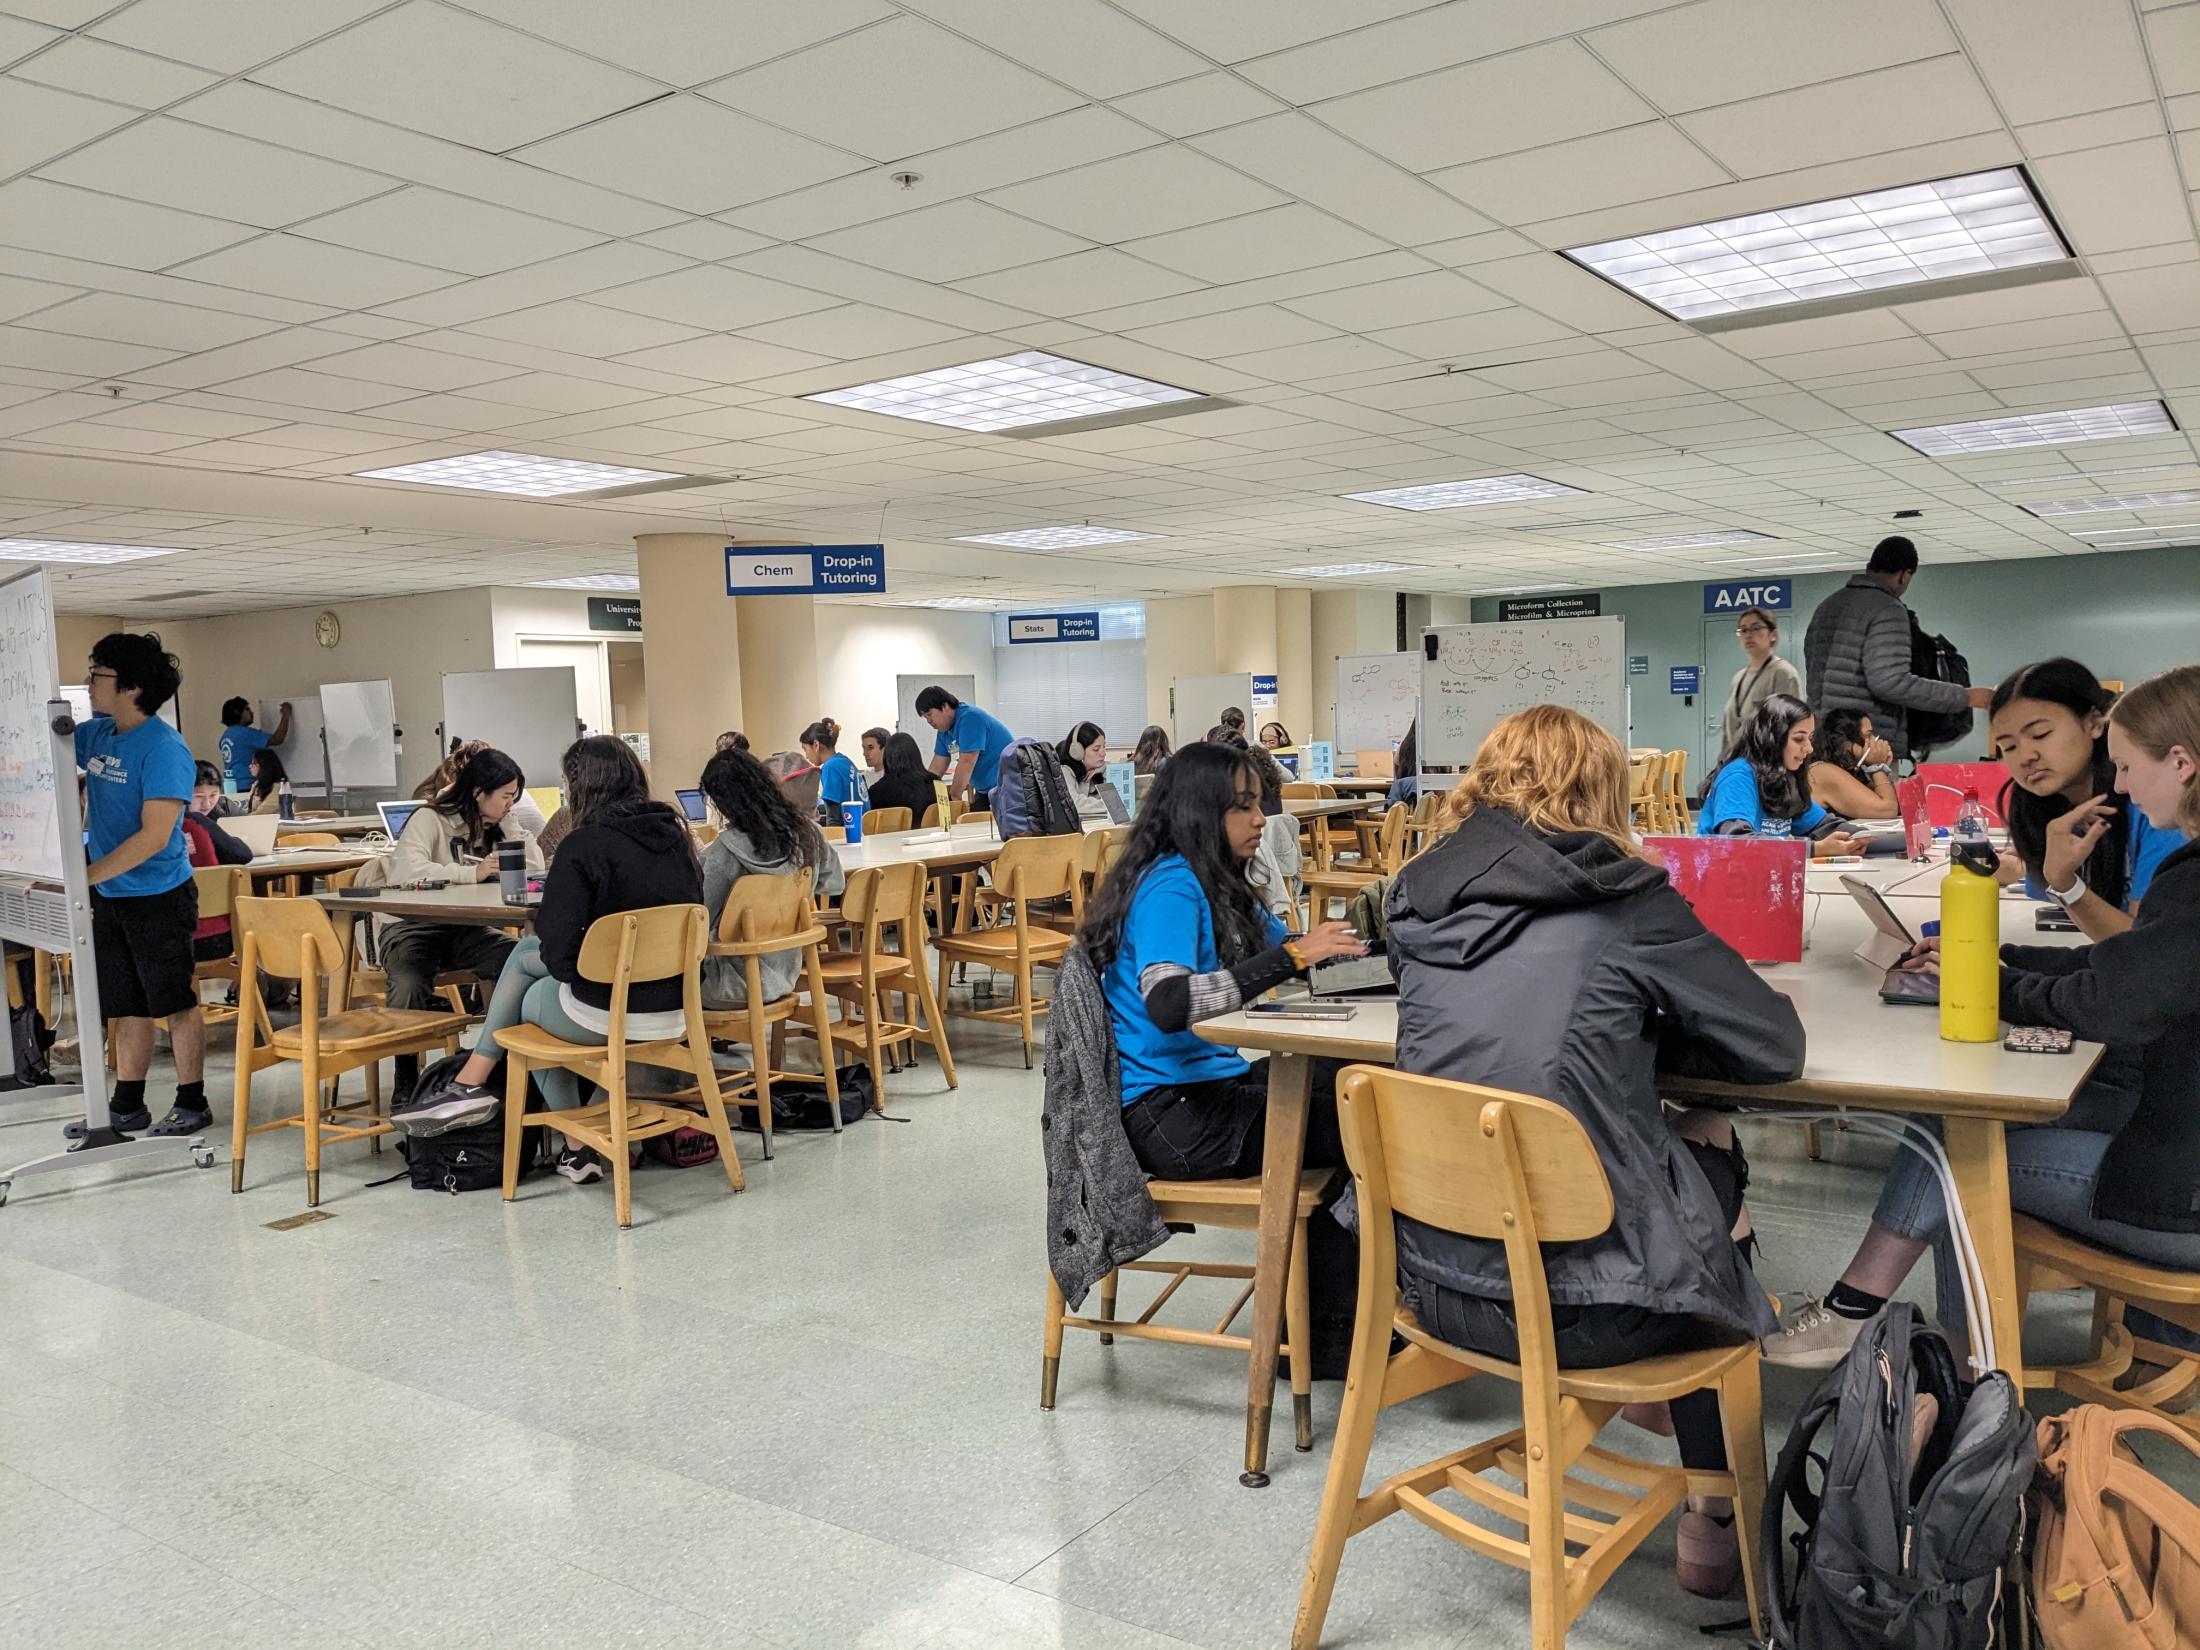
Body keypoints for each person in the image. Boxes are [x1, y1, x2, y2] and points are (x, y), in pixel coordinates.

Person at [1384, 705, 1807, 1597]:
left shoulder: (1411, 896)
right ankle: (1711, 1512)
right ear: (1607, 792)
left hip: (1432, 1286)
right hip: (1584, 1311)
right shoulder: (1626, 901)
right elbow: (1774, 1047)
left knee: (1597, 1152)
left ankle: (1663, 1415)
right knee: (1708, 1142)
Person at [1764, 665, 2200, 1374]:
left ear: (2179, 763)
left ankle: (1958, 1378)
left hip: (2178, 1198)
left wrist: (1996, 986)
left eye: (2127, 766)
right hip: (2176, 1147)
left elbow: (2116, 996)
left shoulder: (2188, 871)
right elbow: (2137, 971)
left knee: (1956, 1148)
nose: (2119, 785)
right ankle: (1934, 1352)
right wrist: (1990, 965)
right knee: (1966, 1129)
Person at [397, 739, 703, 1180]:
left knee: (527, 1005)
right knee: (522, 954)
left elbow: (560, 956)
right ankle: (556, 1139)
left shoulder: (583, 846)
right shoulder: (677, 835)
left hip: (615, 1013)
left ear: (582, 787)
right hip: (677, 1008)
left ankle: (500, 1099)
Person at [1082, 740, 1364, 1178]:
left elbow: (1285, 946)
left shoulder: (1213, 878)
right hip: (1170, 1113)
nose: (1260, 818)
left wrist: (1362, 954)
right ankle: (1341, 1242)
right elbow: (1169, 1003)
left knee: (1362, 1081)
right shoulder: (1169, 887)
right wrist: (1293, 956)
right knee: (1369, 1123)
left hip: (1207, 1086)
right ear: (1202, 813)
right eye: (1242, 807)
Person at [73, 634, 209, 1137]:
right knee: (126, 1002)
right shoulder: (98, 735)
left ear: (131, 687)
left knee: (174, 1000)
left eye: (97, 675)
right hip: (112, 894)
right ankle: (127, 1102)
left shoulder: (165, 748)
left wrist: (84, 875)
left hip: (158, 896)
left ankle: (192, 1100)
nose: (89, 685)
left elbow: (154, 837)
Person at [380, 746, 544, 1098]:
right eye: (505, 797)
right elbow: (405, 872)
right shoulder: (431, 819)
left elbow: (534, 868)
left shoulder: (499, 825)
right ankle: (406, 1081)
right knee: (408, 980)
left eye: (513, 797)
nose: (509, 804)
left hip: (466, 929)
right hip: (412, 926)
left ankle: (503, 1064)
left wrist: (510, 825)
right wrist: (471, 872)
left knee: (519, 962)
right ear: (478, 793)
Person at [1987, 657, 2176, 942]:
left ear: (2094, 723)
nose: (2026, 757)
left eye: (2040, 734)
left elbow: (2146, 948)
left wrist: (2065, 884)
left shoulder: (2153, 806)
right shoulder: (2042, 810)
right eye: (2008, 746)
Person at [1803, 535, 1992, 762]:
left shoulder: (1827, 606)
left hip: (1823, 742)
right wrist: (1964, 697)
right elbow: (1890, 682)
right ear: (1904, 575)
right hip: (1868, 747)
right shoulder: (1888, 609)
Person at [695, 746, 846, 1008]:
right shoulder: (809, 833)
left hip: (727, 984)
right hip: (786, 972)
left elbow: (697, 915)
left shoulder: (724, 852)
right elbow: (835, 884)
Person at [1698, 694, 1867, 858]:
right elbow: (1737, 842)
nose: (1809, 748)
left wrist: (1871, 837)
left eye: (1810, 738)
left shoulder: (1782, 777)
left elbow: (1824, 826)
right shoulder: (1738, 776)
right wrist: (1813, 849)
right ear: (1772, 738)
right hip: (1721, 877)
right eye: (1799, 739)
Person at [1719, 608, 1803, 750]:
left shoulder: (1783, 673)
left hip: (1767, 765)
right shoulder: (1738, 678)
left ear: (1773, 635)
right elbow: (1729, 731)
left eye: (1756, 628)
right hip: (1737, 763)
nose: (1748, 635)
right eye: (1743, 630)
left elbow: (1790, 727)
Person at [917, 686, 1014, 804]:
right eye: (925, 717)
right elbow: (937, 768)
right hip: (985, 790)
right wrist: (922, 794)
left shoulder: (970, 719)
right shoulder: (944, 732)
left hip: (1008, 788)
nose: (929, 721)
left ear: (945, 706)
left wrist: (954, 798)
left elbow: (967, 762)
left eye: (929, 714)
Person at [1804, 708, 1899, 820]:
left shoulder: (1850, 768)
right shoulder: (1823, 771)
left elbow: (1892, 801)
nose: (1874, 741)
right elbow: (1887, 810)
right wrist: (1877, 767)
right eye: (1868, 736)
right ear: (1846, 742)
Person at [216, 695, 291, 795]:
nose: (251, 712)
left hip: (232, 786)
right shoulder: (244, 733)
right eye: (247, 709)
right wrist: (286, 715)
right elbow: (277, 739)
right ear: (237, 713)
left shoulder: (225, 736)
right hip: (248, 784)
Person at [188, 762, 252, 865]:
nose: (207, 804)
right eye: (199, 796)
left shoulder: (224, 806)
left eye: (213, 795)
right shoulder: (179, 820)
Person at [866, 731, 939, 821]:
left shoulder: (876, 792)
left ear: (887, 758)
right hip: (936, 834)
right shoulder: (937, 783)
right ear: (916, 754)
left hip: (895, 835)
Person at [800, 718, 862, 818]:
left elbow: (833, 819)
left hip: (848, 830)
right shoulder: (845, 761)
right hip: (864, 827)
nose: (806, 756)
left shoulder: (830, 768)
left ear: (816, 745)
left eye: (805, 749)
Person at [1055, 722, 1107, 795]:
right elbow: (1076, 802)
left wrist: (1098, 770)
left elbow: (1120, 767)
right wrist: (1107, 805)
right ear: (1078, 752)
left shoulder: (1098, 769)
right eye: (1096, 749)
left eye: (1104, 747)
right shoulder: (1066, 772)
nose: (1103, 753)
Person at [1385, 720, 1418, 807]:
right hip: (1422, 796)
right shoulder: (1432, 745)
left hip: (1404, 796)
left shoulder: (1404, 744)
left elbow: (1396, 762)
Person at [245, 746, 288, 813]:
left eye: (254, 763)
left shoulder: (279, 787)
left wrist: (244, 819)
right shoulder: (256, 785)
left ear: (264, 766)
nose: (250, 766)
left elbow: (265, 811)